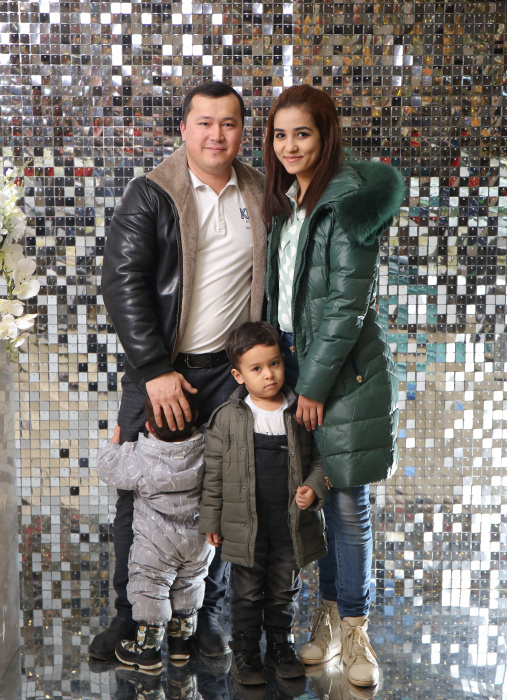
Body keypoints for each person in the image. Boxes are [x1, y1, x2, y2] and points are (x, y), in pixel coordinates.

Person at [90, 81, 267, 661]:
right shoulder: (152, 193)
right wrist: (153, 369)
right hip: (161, 372)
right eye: (205, 123)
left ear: (242, 131)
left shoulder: (260, 194)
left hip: (228, 378)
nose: (217, 134)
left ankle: (203, 616)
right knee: (136, 493)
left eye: (229, 123)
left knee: (222, 495)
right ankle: (129, 617)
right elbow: (121, 281)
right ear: (184, 129)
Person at [262, 85, 405, 689]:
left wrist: (314, 385)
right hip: (293, 362)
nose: (290, 146)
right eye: (280, 134)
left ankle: (354, 629)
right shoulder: (288, 202)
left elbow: (348, 304)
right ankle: (323, 616)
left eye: (303, 133)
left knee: (347, 502)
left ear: (326, 136)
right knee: (309, 496)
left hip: (340, 371)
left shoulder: (346, 201)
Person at [199, 321, 329, 685]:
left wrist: (313, 487)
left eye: (274, 364)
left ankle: (280, 646)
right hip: (245, 525)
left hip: (290, 522)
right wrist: (211, 520)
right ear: (238, 376)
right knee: (246, 590)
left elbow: (322, 459)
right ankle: (245, 650)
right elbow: (213, 475)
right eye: (256, 369)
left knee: (284, 588)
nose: (269, 375)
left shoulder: (298, 411)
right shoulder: (226, 418)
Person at [96, 396, 214, 672]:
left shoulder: (140, 455)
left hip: (155, 545)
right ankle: (181, 645)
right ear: (196, 415)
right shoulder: (207, 449)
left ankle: (148, 651)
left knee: (149, 588)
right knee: (190, 583)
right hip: (197, 542)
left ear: (148, 426)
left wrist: (112, 446)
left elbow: (107, 469)